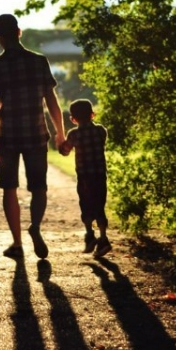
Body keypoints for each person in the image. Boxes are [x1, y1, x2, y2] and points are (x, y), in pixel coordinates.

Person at [0, 13, 66, 259]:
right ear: (19, 32)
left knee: (9, 189)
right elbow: (51, 101)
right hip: (36, 134)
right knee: (39, 187)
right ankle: (35, 227)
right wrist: (60, 132)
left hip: (6, 137)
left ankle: (17, 243)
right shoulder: (38, 61)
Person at [59, 98, 111, 257]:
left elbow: (65, 151)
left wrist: (61, 144)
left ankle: (90, 236)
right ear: (92, 114)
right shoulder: (101, 130)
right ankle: (103, 238)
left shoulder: (74, 134)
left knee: (86, 205)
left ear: (73, 119)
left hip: (84, 178)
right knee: (99, 205)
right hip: (100, 176)